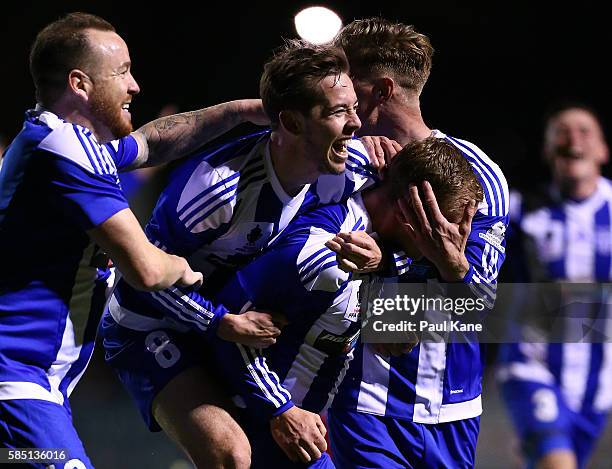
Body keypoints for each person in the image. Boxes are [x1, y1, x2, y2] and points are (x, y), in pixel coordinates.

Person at [0, 12, 271, 468]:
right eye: (122, 72)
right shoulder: (65, 149)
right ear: (80, 83)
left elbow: (156, 143)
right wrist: (182, 267)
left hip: (35, 387)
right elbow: (146, 269)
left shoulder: (54, 140)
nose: (135, 86)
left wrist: (241, 111)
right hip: (14, 384)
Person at [101, 40, 383, 468]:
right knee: (230, 455)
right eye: (339, 112)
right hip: (150, 326)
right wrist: (218, 321)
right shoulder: (217, 192)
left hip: (233, 324)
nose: (356, 125)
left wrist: (380, 254)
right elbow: (143, 278)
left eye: (354, 108)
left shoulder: (349, 165)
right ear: (290, 121)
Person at [206, 136, 482, 468]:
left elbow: (402, 337)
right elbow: (226, 330)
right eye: (445, 229)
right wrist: (279, 409)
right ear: (408, 212)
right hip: (270, 430)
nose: (453, 243)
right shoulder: (321, 257)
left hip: (305, 435)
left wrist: (396, 267)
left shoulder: (380, 251)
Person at [319, 17, 509, 468]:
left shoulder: (480, 176)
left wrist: (390, 263)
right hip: (361, 403)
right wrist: (432, 268)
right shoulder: (338, 167)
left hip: (453, 410)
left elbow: (477, 307)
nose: (338, 101)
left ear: (381, 91)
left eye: (349, 88)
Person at [496, 103, 612, 469]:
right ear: (548, 151)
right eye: (561, 131)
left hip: (598, 384)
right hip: (531, 365)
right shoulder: (520, 210)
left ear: (603, 150)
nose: (572, 138)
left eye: (583, 130)